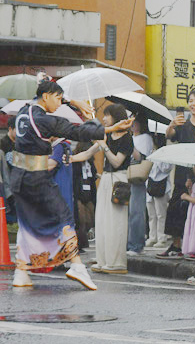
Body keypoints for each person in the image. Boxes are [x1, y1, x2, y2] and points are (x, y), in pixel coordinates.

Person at [11, 80, 132, 289]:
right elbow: (76, 132)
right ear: (46, 96)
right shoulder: (44, 120)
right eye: (58, 99)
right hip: (36, 178)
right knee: (64, 218)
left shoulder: (24, 111)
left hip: (19, 177)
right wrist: (111, 128)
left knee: (27, 224)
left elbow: (44, 94)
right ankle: (77, 266)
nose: (60, 104)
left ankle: (21, 272)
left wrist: (73, 101)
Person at [70, 103, 134, 274]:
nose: (104, 119)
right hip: (105, 179)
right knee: (102, 221)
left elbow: (117, 162)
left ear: (116, 117)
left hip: (118, 180)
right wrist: (70, 158)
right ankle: (103, 260)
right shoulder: (107, 135)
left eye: (107, 115)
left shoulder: (127, 138)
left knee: (115, 223)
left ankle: (116, 263)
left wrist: (104, 146)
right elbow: (87, 153)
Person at [158, 89, 195, 259]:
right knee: (175, 207)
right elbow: (170, 136)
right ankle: (176, 245)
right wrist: (171, 125)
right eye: (191, 101)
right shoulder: (183, 124)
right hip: (182, 170)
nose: (193, 104)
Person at [127, 114, 152, 256]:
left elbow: (140, 157)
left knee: (136, 212)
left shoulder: (145, 138)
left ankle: (136, 245)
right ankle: (129, 243)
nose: (132, 124)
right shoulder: (131, 137)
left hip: (136, 177)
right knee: (128, 213)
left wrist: (129, 143)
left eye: (135, 122)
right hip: (127, 176)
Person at [71, 141, 97, 252]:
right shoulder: (75, 163)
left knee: (90, 219)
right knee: (80, 219)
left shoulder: (90, 163)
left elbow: (93, 177)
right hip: (78, 194)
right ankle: (79, 244)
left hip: (88, 194)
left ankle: (82, 241)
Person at [145, 157, 173, 249]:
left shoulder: (166, 155)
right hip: (150, 184)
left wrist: (157, 159)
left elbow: (166, 169)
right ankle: (152, 237)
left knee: (161, 214)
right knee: (151, 214)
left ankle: (161, 238)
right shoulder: (150, 153)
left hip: (161, 186)